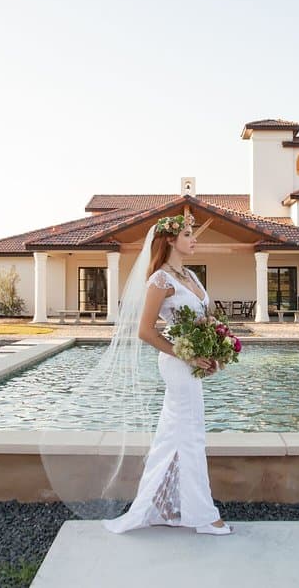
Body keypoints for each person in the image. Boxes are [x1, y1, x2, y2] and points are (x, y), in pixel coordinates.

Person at [101, 213, 233, 535]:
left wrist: (214, 352)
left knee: (174, 436)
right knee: (190, 436)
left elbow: (205, 319)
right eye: (189, 234)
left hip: (192, 364)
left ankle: (160, 504)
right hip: (176, 365)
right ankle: (203, 515)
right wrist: (186, 354)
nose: (194, 238)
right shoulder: (160, 280)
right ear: (171, 240)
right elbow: (145, 332)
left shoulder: (191, 276)